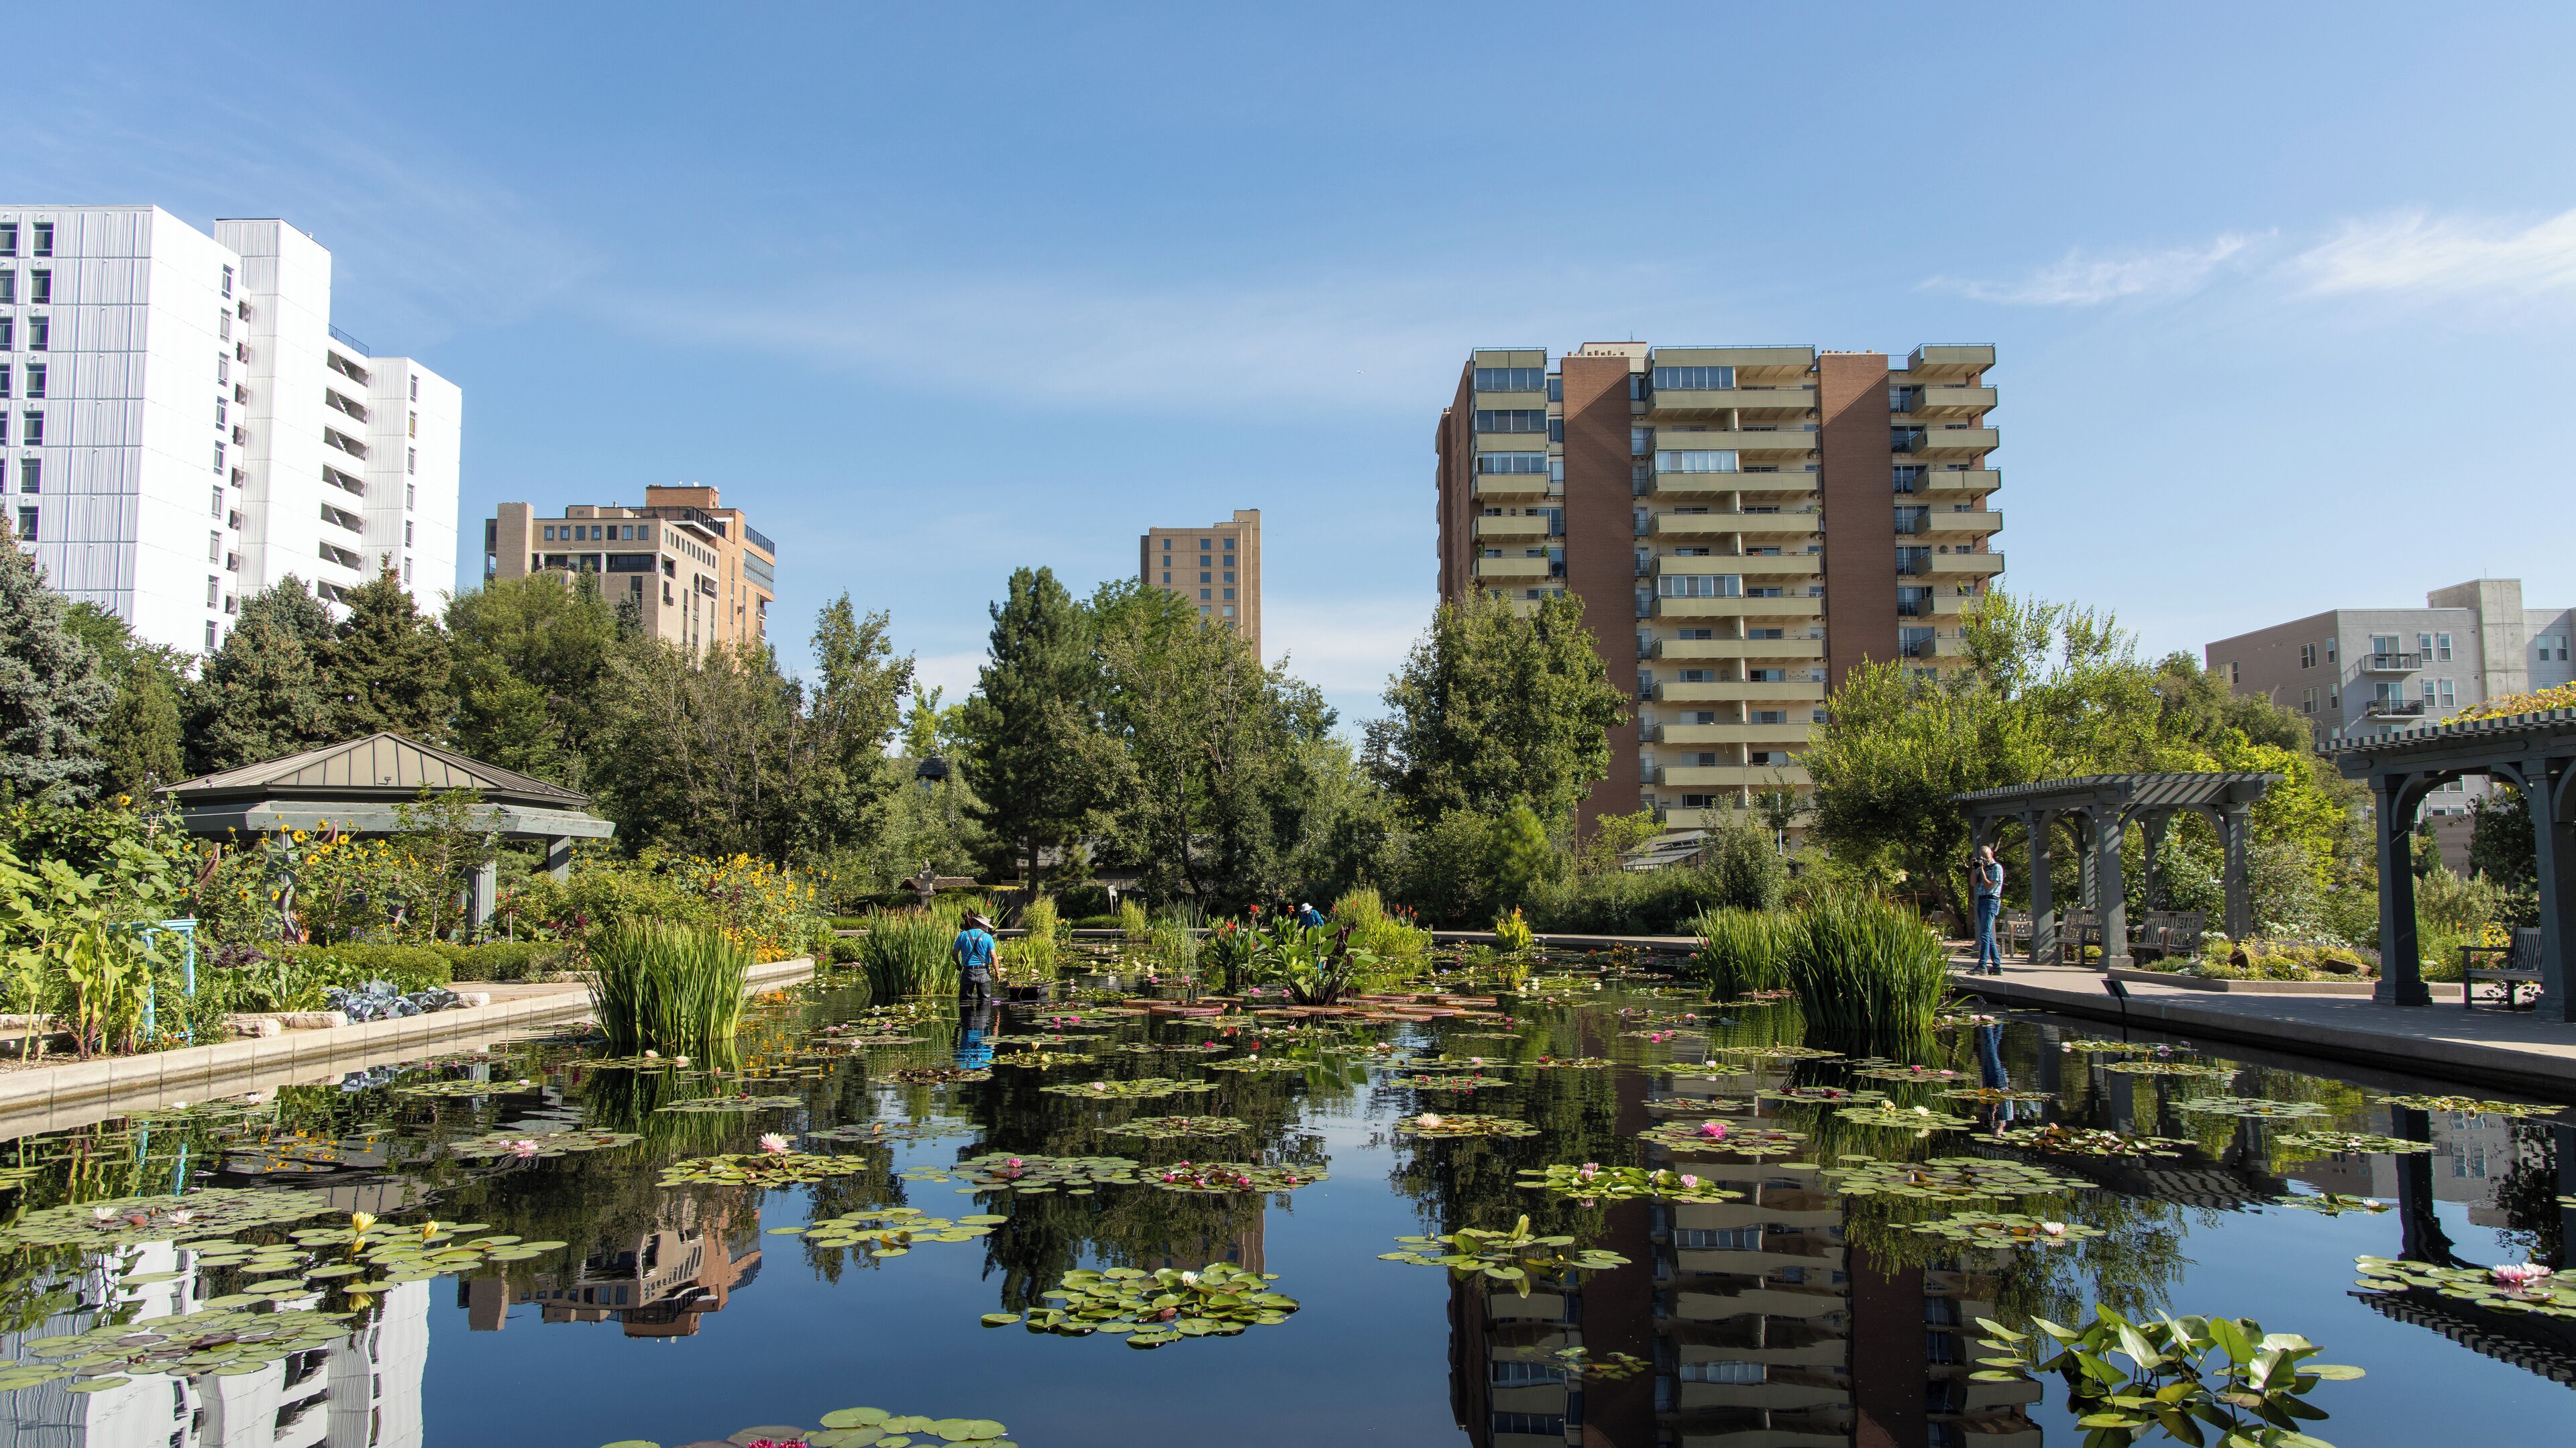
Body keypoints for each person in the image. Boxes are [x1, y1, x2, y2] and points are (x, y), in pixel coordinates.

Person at [1970, 844, 2006, 977]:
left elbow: (1989, 886)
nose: (1984, 859)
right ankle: (1997, 966)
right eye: (1982, 857)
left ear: (1991, 855)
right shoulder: (1981, 867)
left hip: (1991, 901)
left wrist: (1982, 871)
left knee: (1984, 934)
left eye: (1985, 857)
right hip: (1981, 900)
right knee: (1988, 935)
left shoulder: (1997, 868)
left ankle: (1982, 966)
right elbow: (1973, 883)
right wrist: (1975, 868)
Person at [954, 911, 998, 1007]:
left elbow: (954, 953)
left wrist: (958, 965)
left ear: (974, 924)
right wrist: (997, 973)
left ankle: (967, 1021)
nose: (987, 929)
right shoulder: (988, 937)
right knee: (985, 1000)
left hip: (968, 971)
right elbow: (993, 957)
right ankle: (982, 1020)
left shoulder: (963, 935)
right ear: (984, 926)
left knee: (965, 1001)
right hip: (983, 972)